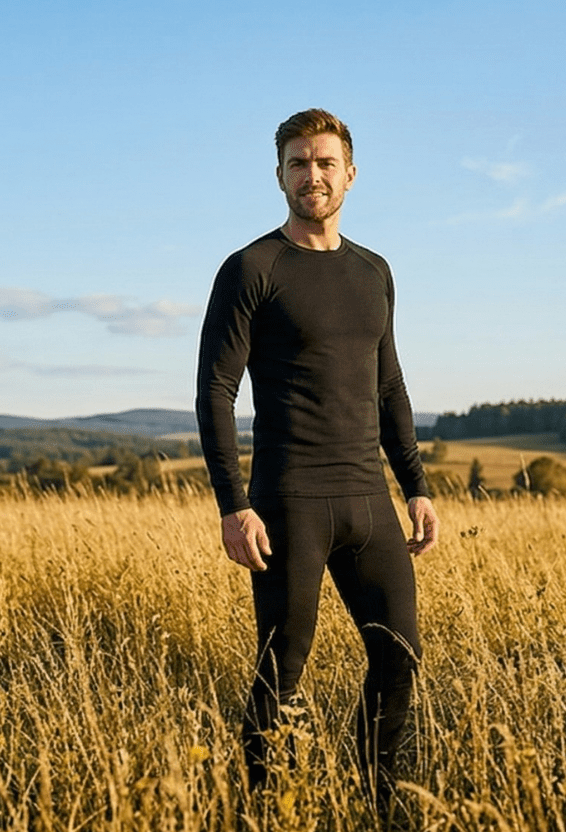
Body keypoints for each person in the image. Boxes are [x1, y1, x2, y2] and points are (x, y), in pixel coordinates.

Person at [195, 108, 440, 794]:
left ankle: (378, 799)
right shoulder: (252, 268)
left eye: (325, 163)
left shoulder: (374, 271)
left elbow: (387, 382)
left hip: (369, 499)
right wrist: (233, 505)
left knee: (400, 658)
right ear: (279, 175)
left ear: (351, 175)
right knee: (283, 668)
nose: (313, 175)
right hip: (289, 500)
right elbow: (216, 390)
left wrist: (415, 484)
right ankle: (261, 816)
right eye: (299, 163)